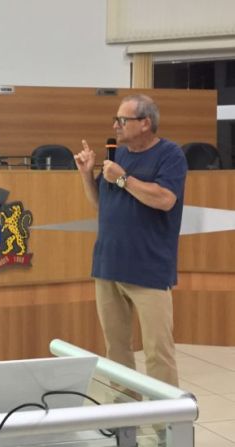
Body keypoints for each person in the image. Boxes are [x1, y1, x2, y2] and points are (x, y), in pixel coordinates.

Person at [74, 94, 187, 386]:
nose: (116, 125)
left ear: (145, 123)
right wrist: (87, 175)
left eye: (122, 120)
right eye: (116, 119)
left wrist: (123, 179)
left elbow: (165, 199)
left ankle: (165, 416)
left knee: (158, 352)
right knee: (116, 351)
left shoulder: (170, 154)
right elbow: (102, 205)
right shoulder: (117, 155)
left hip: (149, 269)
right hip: (108, 266)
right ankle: (124, 411)